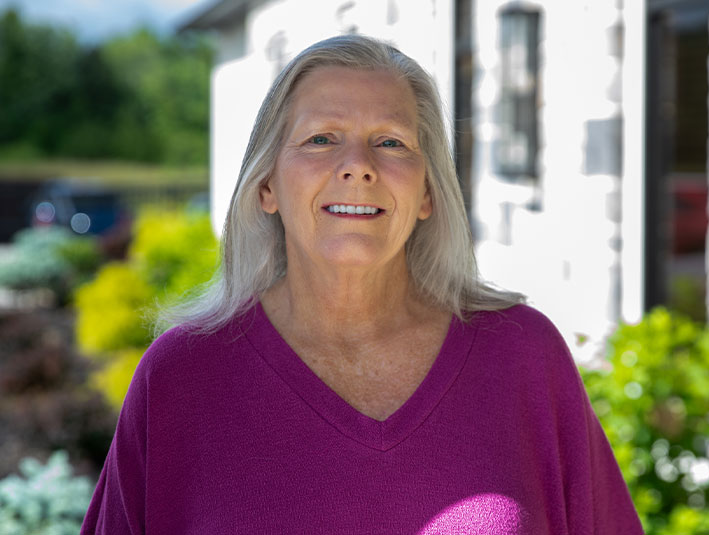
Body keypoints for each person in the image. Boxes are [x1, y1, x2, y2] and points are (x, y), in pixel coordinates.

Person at [81, 34, 643, 534]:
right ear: (267, 186)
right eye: (322, 139)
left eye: (392, 141)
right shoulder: (182, 378)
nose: (358, 165)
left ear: (427, 193)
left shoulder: (523, 356)